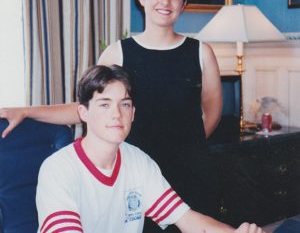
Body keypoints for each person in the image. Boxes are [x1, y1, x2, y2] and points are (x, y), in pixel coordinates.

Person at [0, 0, 222, 232]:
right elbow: (89, 108)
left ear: (184, 3)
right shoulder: (119, 52)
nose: (166, 1)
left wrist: (186, 147)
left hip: (190, 172)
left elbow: (211, 114)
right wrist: (28, 111)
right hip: (135, 176)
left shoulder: (201, 52)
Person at [36, 64, 263, 233]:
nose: (117, 114)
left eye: (124, 104)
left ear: (133, 113)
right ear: (84, 113)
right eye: (104, 104)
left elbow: (188, 219)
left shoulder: (138, 161)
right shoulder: (58, 169)